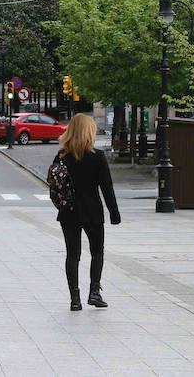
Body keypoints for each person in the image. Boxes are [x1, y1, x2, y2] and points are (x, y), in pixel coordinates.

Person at [55, 114, 120, 311]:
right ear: (89, 131)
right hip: (93, 211)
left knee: (72, 254)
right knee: (97, 251)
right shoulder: (97, 157)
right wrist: (114, 213)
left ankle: (75, 298)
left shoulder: (62, 156)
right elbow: (106, 188)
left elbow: (56, 185)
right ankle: (94, 292)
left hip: (69, 212)